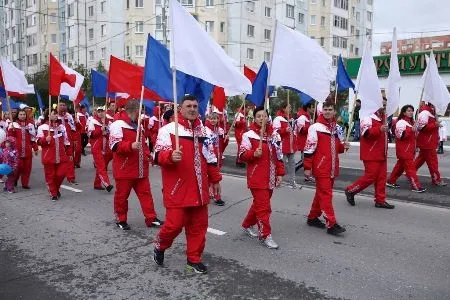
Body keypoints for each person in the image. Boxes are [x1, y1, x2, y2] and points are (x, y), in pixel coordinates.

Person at [153, 95, 222, 274]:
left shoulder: (204, 132)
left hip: (200, 189)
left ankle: (193, 259)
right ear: (180, 109)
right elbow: (157, 156)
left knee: (199, 227)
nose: (192, 109)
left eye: (195, 106)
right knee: (173, 225)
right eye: (188, 106)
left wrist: (215, 179)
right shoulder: (168, 130)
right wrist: (169, 156)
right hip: (178, 189)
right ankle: (160, 245)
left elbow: (211, 157)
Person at [109, 99, 164, 230]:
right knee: (122, 196)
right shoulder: (118, 124)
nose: (141, 114)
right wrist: (130, 145)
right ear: (133, 110)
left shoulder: (138, 125)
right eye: (140, 111)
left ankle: (151, 218)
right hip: (125, 169)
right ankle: (121, 218)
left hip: (140, 168)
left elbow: (143, 144)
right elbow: (114, 145)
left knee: (146, 194)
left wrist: (148, 156)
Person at [239, 106, 285, 249]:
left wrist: (280, 173)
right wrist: (253, 154)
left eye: (263, 116)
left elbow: (279, 157)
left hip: (271, 177)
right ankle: (265, 235)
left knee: (258, 205)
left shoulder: (275, 136)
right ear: (254, 118)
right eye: (258, 116)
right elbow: (241, 156)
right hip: (256, 177)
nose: (261, 118)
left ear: (268, 117)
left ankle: (247, 224)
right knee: (264, 207)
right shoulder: (249, 135)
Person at [304, 101, 350, 236]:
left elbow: (336, 149)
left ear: (334, 111)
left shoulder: (335, 128)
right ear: (321, 111)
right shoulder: (315, 127)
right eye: (325, 109)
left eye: (330, 109)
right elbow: (309, 148)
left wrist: (343, 146)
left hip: (332, 167)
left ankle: (312, 218)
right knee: (326, 195)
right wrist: (307, 167)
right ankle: (331, 223)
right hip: (321, 167)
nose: (328, 111)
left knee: (321, 194)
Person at [345, 98, 395, 209]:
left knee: (381, 177)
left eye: (385, 105)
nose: (384, 107)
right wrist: (379, 129)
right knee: (371, 176)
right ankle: (351, 190)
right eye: (383, 104)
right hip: (371, 152)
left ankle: (380, 200)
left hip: (381, 152)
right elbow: (365, 133)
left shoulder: (383, 117)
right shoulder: (367, 116)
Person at [386, 105, 425, 192]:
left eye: (412, 111)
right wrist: (411, 130)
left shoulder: (411, 123)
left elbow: (413, 137)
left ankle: (390, 181)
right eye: (408, 111)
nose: (411, 112)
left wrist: (416, 145)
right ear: (404, 112)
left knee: (400, 167)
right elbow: (400, 135)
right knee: (411, 169)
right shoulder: (401, 122)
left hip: (409, 150)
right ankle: (416, 186)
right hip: (404, 150)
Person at [36, 110, 71, 201]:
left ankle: (55, 188)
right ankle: (53, 193)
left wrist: (69, 152)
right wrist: (45, 139)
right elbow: (38, 141)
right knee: (50, 176)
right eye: (53, 114)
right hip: (49, 156)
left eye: (56, 114)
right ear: (48, 115)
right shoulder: (42, 127)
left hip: (61, 155)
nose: (56, 115)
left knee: (61, 174)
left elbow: (66, 141)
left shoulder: (61, 127)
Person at [415, 102, 446, 186]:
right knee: (433, 162)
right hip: (427, 143)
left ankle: (410, 173)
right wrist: (434, 124)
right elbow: (420, 127)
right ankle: (436, 180)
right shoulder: (425, 113)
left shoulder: (431, 112)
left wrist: (437, 138)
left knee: (420, 160)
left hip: (429, 142)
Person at [8, 109, 38, 189]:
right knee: (17, 168)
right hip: (17, 150)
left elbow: (32, 138)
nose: (22, 116)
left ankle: (25, 184)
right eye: (20, 114)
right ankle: (14, 180)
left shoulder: (30, 125)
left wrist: (35, 148)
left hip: (27, 150)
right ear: (17, 115)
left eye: (24, 114)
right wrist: (12, 132)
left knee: (27, 168)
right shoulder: (13, 124)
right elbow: (9, 138)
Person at [88, 106, 114, 192]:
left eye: (102, 111)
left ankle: (97, 184)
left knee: (102, 166)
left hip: (106, 148)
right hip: (96, 147)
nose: (100, 113)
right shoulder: (93, 121)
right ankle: (107, 184)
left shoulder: (109, 122)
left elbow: (111, 135)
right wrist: (100, 130)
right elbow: (90, 134)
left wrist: (106, 132)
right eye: (99, 111)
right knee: (101, 166)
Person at [273, 102, 298, 189]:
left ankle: (292, 181)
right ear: (284, 109)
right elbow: (275, 132)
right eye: (289, 107)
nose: (290, 109)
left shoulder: (291, 119)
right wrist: (284, 130)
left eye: (291, 107)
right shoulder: (278, 119)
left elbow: (294, 131)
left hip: (291, 146)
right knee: (281, 165)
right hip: (282, 146)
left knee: (292, 164)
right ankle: (277, 181)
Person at [205, 111, 227, 206]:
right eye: (211, 118)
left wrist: (226, 141)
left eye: (215, 118)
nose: (213, 120)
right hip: (209, 157)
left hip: (218, 157)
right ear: (207, 119)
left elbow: (221, 145)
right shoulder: (205, 130)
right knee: (213, 177)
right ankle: (216, 196)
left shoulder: (220, 130)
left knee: (213, 177)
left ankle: (211, 193)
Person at [57, 103, 78, 184]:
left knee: (70, 158)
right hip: (58, 141)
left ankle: (71, 177)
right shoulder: (54, 116)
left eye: (64, 105)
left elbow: (73, 128)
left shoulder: (69, 116)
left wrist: (75, 139)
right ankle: (58, 175)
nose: (62, 107)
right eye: (60, 105)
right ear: (57, 107)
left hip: (68, 140)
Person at [295, 102, 314, 180]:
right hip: (303, 141)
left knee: (308, 160)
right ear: (308, 108)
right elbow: (301, 130)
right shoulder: (302, 117)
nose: (313, 109)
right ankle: (293, 170)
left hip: (309, 141)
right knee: (304, 161)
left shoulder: (308, 117)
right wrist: (310, 126)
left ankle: (307, 176)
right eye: (312, 107)